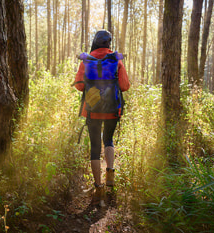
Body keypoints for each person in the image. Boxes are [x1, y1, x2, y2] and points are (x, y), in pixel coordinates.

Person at [74, 30, 130, 205]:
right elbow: (125, 86)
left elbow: (79, 86)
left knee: (95, 146)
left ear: (95, 42)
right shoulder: (115, 59)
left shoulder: (87, 60)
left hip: (92, 110)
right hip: (112, 109)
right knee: (109, 140)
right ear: (109, 43)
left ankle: (98, 188)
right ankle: (111, 175)